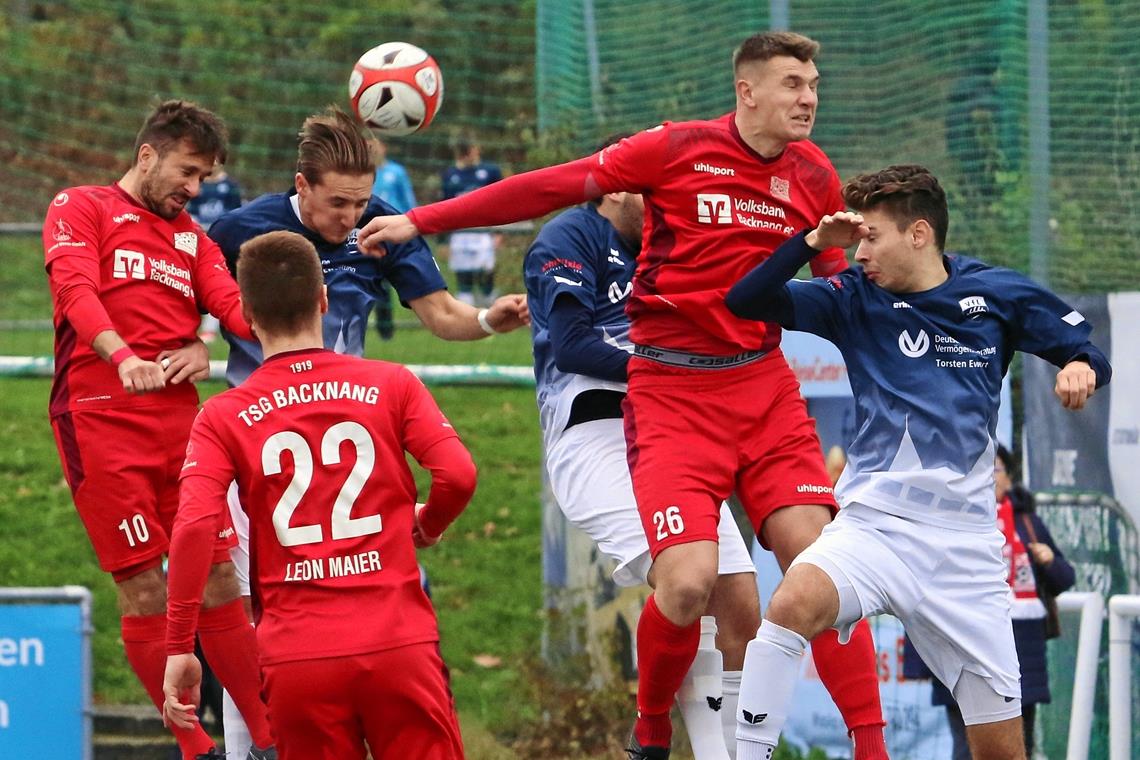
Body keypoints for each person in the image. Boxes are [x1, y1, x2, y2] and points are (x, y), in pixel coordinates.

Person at [359, 31, 889, 760]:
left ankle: (872, 747)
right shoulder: (673, 152)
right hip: (669, 392)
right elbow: (545, 184)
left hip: (762, 386)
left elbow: (840, 287)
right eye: (794, 83)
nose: (809, 97)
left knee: (818, 565)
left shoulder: (813, 175)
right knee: (687, 585)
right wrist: (424, 219)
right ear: (748, 91)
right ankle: (649, 733)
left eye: (814, 83)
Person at [724, 164, 1110, 760]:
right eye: (855, 241)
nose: (858, 254)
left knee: (1002, 751)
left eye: (870, 237)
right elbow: (745, 299)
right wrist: (809, 244)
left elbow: (1084, 348)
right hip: (874, 526)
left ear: (919, 234)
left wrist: (1081, 366)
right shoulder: (851, 298)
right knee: (791, 603)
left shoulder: (997, 294)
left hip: (964, 550)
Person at [207, 105, 526, 756]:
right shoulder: (240, 233)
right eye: (336, 204)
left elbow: (441, 315)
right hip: (262, 450)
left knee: (394, 619)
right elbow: (195, 316)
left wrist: (489, 320)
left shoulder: (384, 226)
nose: (350, 218)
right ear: (301, 185)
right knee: (249, 622)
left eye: (359, 202)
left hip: (354, 437)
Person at [163, 230, 474, 760]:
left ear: (245, 314)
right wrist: (429, 524)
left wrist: (178, 647)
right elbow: (459, 475)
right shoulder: (391, 383)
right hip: (398, 641)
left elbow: (193, 526)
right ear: (323, 300)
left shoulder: (222, 416)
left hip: (297, 656)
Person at [42, 99, 275, 760]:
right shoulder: (80, 206)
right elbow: (74, 290)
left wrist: (209, 342)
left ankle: (269, 739)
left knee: (221, 579)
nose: (195, 189)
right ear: (147, 155)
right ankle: (194, 746)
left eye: (203, 177)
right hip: (99, 422)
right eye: (188, 171)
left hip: (183, 430)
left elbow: (229, 305)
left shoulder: (193, 241)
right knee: (143, 584)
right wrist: (123, 356)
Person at [523, 135, 760, 759]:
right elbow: (572, 345)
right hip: (595, 432)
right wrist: (668, 367)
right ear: (619, 189)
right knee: (688, 584)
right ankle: (652, 728)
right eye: (654, 192)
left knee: (740, 607)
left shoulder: (675, 243)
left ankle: (727, 753)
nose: (667, 204)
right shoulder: (569, 237)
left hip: (670, 432)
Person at [903, 445, 1076, 760]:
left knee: (1019, 747)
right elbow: (921, 592)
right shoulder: (943, 522)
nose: (987, 477)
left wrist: (1049, 561)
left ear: (1009, 479)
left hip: (1023, 658)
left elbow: (1065, 579)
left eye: (994, 468)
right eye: (977, 469)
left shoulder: (1029, 524)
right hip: (961, 650)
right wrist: (918, 663)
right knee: (966, 749)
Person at [440, 132, 502, 306]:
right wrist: (444, 241)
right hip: (460, 235)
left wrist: (498, 232)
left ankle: (492, 316)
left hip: (483, 233)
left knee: (486, 278)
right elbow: (443, 208)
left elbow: (500, 203)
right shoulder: (450, 175)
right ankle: (468, 320)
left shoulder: (490, 172)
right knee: (464, 283)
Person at [368, 134, 417, 341]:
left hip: (397, 233)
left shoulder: (396, 172)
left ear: (384, 147)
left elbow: (408, 199)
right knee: (379, 284)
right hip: (371, 234)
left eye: (375, 145)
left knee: (402, 278)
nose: (373, 149)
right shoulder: (361, 174)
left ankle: (421, 319)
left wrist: (414, 222)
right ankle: (384, 330)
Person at [187, 163, 244, 343]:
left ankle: (209, 330)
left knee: (219, 280)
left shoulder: (230, 186)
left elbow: (237, 213)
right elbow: (190, 212)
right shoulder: (198, 185)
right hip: (199, 238)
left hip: (222, 241)